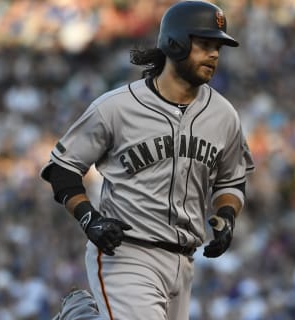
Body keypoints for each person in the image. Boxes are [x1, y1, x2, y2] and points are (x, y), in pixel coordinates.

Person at [42, 1, 255, 319]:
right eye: (205, 44)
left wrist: (226, 216)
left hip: (184, 260)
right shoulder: (116, 107)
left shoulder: (224, 115)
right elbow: (62, 169)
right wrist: (90, 218)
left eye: (218, 47)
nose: (214, 54)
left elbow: (231, 179)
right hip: (127, 252)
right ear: (175, 42)